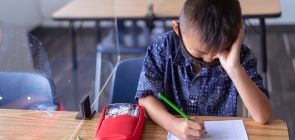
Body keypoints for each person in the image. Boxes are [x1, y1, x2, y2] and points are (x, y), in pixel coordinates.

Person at [135, 0, 272, 139]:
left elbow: (263, 116)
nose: (209, 59)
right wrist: (172, 125)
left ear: (237, 35)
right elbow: (145, 98)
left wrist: (234, 68)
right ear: (177, 29)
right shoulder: (163, 47)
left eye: (220, 51)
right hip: (166, 131)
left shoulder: (241, 57)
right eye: (199, 53)